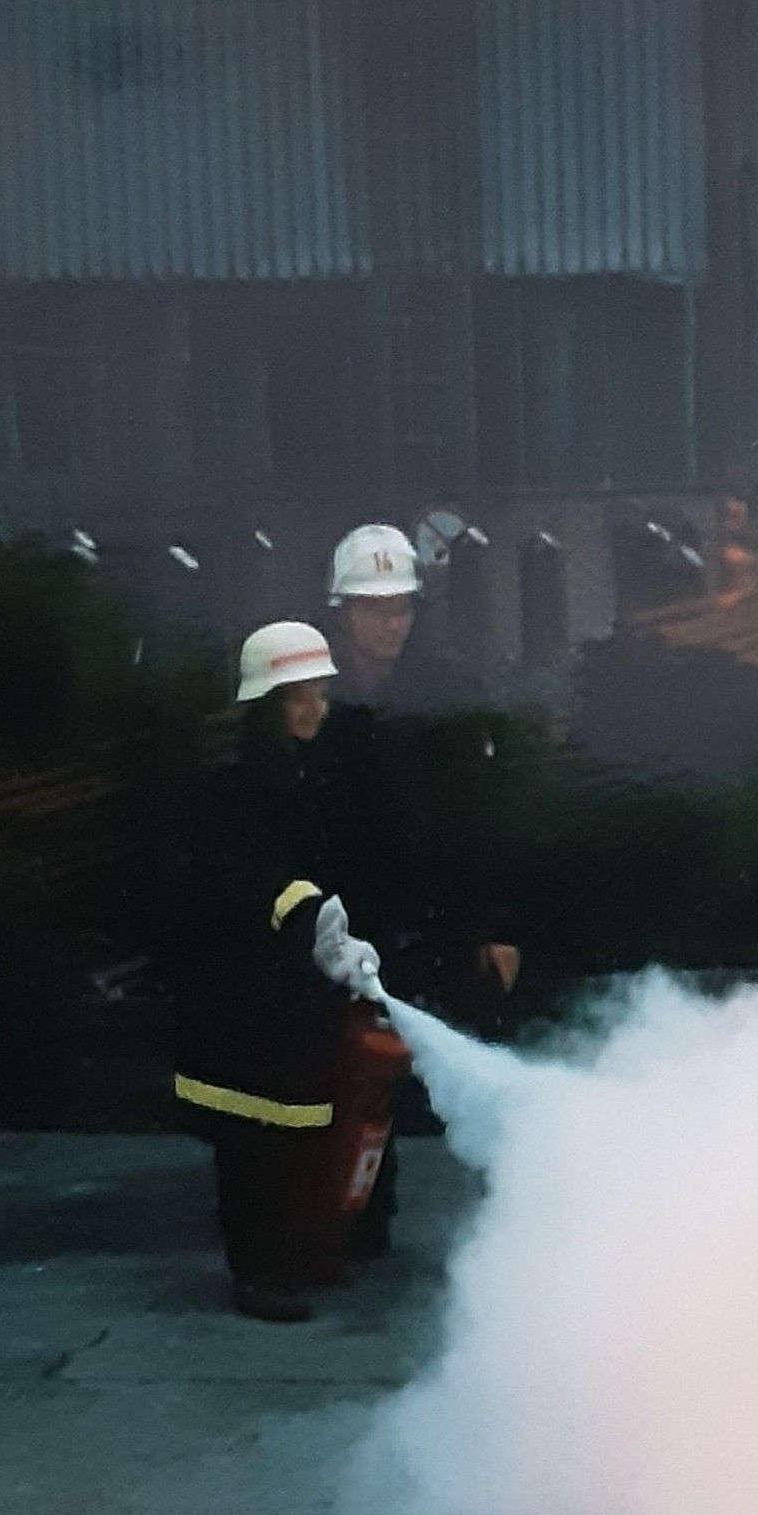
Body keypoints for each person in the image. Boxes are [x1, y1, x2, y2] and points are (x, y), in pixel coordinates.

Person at [307, 525, 520, 1256]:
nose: (388, 624)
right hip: (346, 917)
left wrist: (496, 928)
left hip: (440, 915)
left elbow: (486, 815)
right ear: (343, 613)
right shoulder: (313, 697)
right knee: (357, 1081)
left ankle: (508, 1237)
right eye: (373, 610)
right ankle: (360, 1216)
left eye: (399, 609)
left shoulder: (448, 693)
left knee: (471, 1074)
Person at [174, 622, 388, 1321]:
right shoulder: (231, 791)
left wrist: (341, 934)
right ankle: (256, 1275)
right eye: (303, 697)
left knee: (293, 1132)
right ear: (268, 703)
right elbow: (238, 879)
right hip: (239, 1000)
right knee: (250, 1143)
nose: (318, 709)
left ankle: (293, 1259)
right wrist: (303, 914)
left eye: (322, 694)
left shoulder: (302, 775)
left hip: (285, 998)